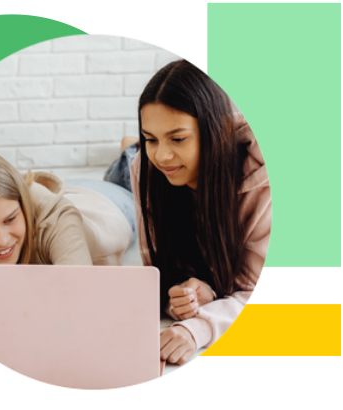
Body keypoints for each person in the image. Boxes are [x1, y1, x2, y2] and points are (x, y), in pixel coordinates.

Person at [107, 59, 271, 365]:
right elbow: (159, 273)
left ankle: (128, 146)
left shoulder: (264, 182)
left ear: (216, 130)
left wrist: (199, 326)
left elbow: (259, 290)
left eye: (177, 138)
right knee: (125, 169)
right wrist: (184, 298)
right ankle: (130, 147)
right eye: (150, 138)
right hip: (143, 175)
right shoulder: (146, 168)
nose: (162, 154)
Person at [0, 148, 135, 335]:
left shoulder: (58, 221)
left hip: (109, 202)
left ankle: (128, 150)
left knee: (129, 171)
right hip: (46, 191)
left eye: (10, 219)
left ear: (23, 207)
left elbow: (76, 308)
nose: (2, 240)